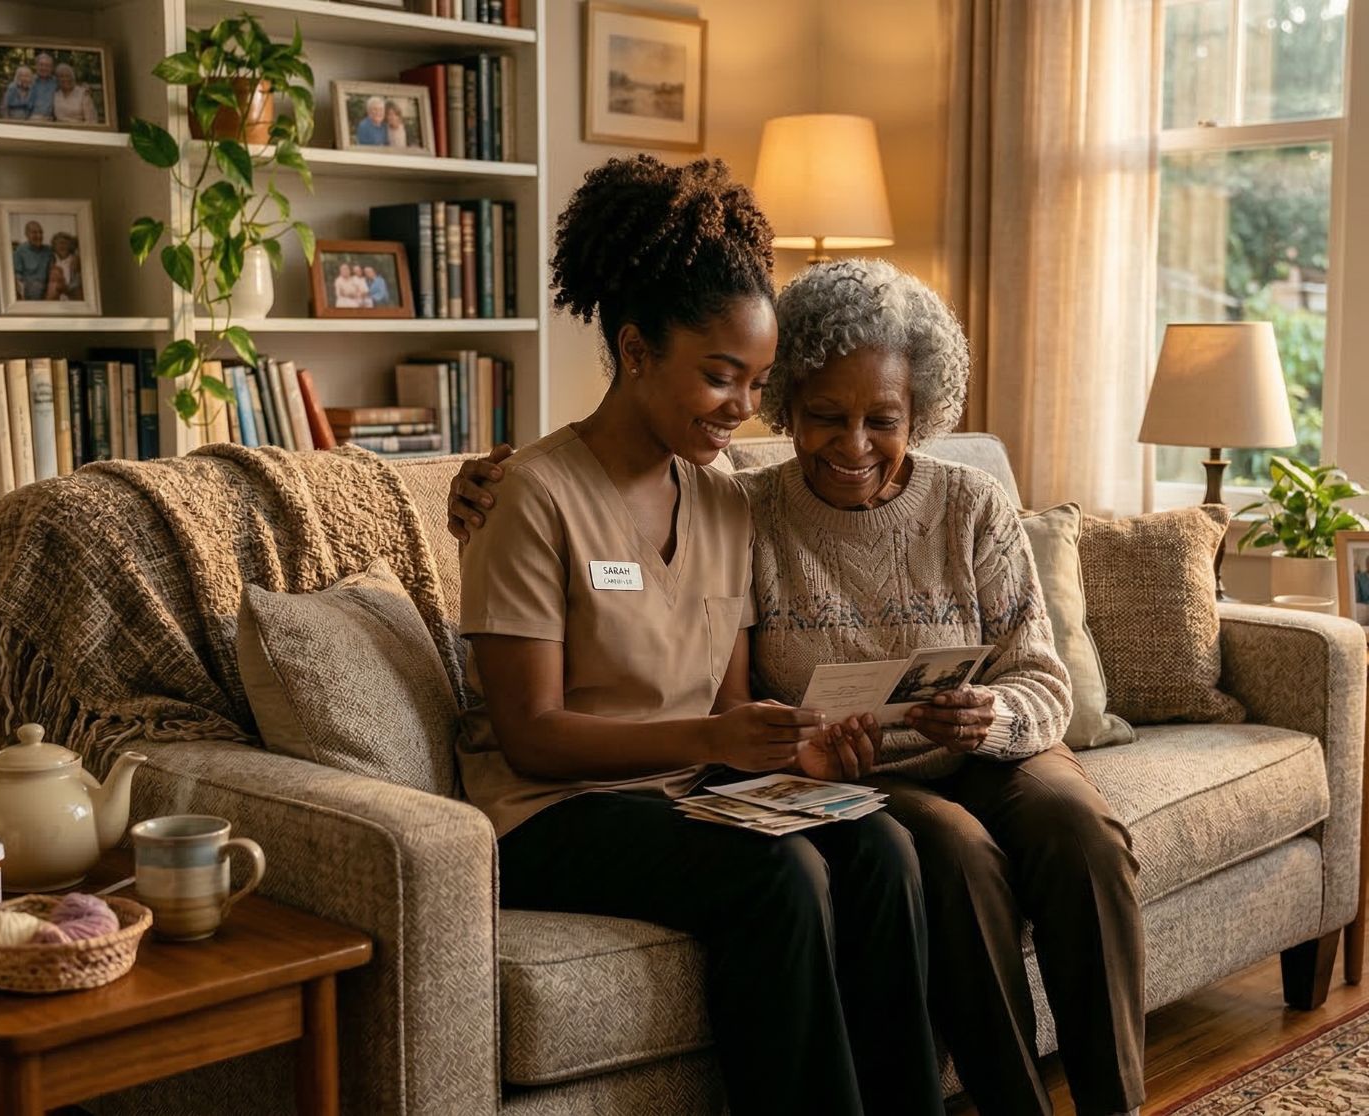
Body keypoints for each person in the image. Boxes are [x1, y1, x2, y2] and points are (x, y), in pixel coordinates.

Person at [450, 258, 1146, 1116]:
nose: (853, 444)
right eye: (821, 415)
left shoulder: (735, 502)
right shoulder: (729, 502)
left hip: (921, 757)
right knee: (886, 857)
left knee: (1036, 835)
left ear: (918, 413)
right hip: (614, 797)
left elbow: (734, 705)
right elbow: (626, 723)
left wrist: (981, 716)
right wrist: (771, 749)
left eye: (881, 420)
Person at [454, 156, 943, 1116]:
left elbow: (728, 706)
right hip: (553, 812)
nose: (743, 411)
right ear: (636, 351)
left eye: (757, 383)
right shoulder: (529, 496)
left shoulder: (723, 503)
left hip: (687, 791)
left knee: (882, 846)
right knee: (779, 875)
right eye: (721, 378)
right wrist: (717, 741)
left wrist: (794, 753)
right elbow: (531, 737)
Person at [13, 221, 53, 301]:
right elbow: (17, 275)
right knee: (35, 287)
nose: (39, 236)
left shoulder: (48, 250)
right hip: (30, 287)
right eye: (34, 233)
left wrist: (76, 257)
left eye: (41, 232)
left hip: (47, 286)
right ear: (27, 234)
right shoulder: (20, 251)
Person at [48, 232, 81, 301]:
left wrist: (66, 289)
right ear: (54, 246)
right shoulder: (52, 260)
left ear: (70, 246)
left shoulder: (75, 261)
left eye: (65, 243)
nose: (61, 246)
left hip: (72, 297)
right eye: (59, 243)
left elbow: (77, 282)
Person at [27, 53, 59, 120]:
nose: (44, 68)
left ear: (51, 68)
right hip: (30, 119)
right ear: (36, 66)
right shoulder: (28, 80)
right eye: (41, 65)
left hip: (50, 120)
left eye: (47, 65)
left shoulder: (56, 82)